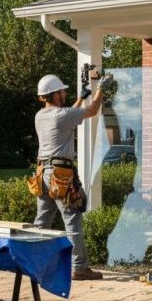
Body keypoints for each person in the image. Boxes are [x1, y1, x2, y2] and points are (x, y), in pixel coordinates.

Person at [33, 71, 113, 280]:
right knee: (72, 220)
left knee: (42, 221)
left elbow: (69, 115)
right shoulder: (61, 115)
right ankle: (80, 267)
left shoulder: (41, 115)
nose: (64, 95)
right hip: (60, 175)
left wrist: (81, 97)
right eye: (61, 92)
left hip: (43, 173)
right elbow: (93, 110)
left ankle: (33, 262)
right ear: (54, 95)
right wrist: (100, 88)